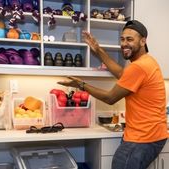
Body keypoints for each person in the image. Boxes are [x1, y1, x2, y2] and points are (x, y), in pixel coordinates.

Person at [57, 20, 168, 169]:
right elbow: (123, 74)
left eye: (130, 39)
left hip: (143, 137)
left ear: (143, 41)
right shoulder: (146, 61)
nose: (124, 44)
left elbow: (110, 98)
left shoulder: (139, 66)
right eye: (122, 39)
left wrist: (81, 85)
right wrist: (97, 49)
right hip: (152, 135)